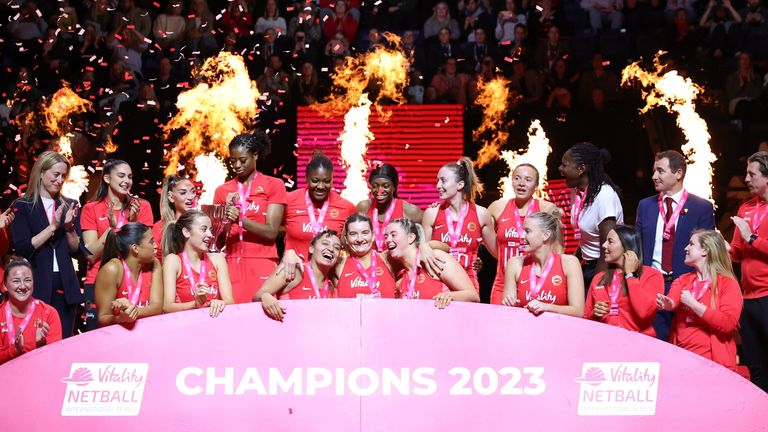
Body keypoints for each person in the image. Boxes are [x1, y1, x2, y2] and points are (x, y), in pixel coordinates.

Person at [635, 150, 715, 340]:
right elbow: (637, 247)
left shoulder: (701, 207)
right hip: (652, 284)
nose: (654, 176)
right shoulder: (645, 206)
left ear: (678, 173)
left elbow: (708, 252)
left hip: (688, 287)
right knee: (655, 344)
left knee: (686, 345)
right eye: (654, 171)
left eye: (660, 171)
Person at [10, 151, 82, 338]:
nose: (59, 180)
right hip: (37, 281)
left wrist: (68, 227)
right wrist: (53, 227)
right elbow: (23, 248)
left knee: (64, 340)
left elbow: (76, 250)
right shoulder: (23, 206)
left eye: (63, 176)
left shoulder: (71, 205)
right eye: (55, 174)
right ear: (41, 173)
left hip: (65, 283)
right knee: (37, 344)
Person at [81, 159, 154, 330]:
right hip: (99, 279)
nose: (127, 181)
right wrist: (112, 229)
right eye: (121, 176)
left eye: (129, 177)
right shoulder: (91, 208)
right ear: (107, 178)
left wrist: (132, 224)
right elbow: (91, 254)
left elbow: (146, 250)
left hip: (136, 281)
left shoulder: (142, 206)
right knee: (99, 341)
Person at [214, 132, 287, 304]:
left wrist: (240, 219)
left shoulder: (274, 185)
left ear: (255, 155)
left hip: (263, 261)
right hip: (230, 263)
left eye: (242, 160)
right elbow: (217, 241)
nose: (237, 165)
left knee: (263, 321)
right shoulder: (222, 190)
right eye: (232, 161)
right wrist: (225, 220)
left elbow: (271, 232)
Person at [657, 230, 743, 371]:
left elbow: (728, 323)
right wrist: (668, 304)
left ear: (705, 251)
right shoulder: (682, 280)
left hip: (713, 365)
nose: (686, 248)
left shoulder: (728, 284)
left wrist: (694, 305)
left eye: (691, 244)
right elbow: (673, 300)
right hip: (681, 362)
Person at [488, 164, 559, 305]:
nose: (521, 183)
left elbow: (557, 251)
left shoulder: (547, 209)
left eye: (528, 179)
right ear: (512, 181)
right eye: (517, 178)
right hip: (501, 285)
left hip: (535, 284)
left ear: (537, 184)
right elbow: (476, 225)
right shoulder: (497, 207)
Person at [422, 157, 496, 292]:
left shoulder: (480, 214)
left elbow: (498, 252)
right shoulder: (431, 213)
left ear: (460, 185)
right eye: (437, 180)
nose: (438, 185)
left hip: (468, 285)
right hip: (438, 283)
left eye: (443, 181)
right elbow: (424, 253)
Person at [559, 142, 623, 293]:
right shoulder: (577, 191)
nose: (560, 169)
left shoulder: (604, 195)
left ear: (581, 169)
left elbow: (607, 250)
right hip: (588, 266)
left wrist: (597, 288)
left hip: (606, 267)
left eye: (564, 165)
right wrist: (574, 261)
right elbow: (588, 236)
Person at [730, 151, 768, 391]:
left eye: (751, 174)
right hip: (748, 298)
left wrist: (751, 237)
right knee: (755, 364)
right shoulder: (745, 207)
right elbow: (736, 253)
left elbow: (750, 240)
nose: (746, 179)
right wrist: (721, 248)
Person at [502, 212, 585, 317]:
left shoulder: (569, 263)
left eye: (527, 231)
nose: (521, 236)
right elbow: (506, 310)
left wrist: (547, 307)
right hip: (524, 329)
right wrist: (509, 304)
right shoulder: (515, 263)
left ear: (546, 235)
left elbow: (578, 311)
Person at [585, 225, 664, 335]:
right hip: (605, 343)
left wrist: (630, 276)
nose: (604, 245)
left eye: (610, 241)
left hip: (639, 346)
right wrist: (594, 314)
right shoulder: (599, 278)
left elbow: (644, 312)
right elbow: (586, 319)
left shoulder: (652, 275)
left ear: (626, 246)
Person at [385, 218, 479, 307]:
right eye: (386, 236)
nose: (388, 240)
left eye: (393, 235)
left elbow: (473, 296)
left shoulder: (436, 259)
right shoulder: (400, 283)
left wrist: (450, 296)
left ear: (411, 238)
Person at [254, 230, 342, 321]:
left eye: (336, 248)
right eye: (325, 243)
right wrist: (264, 296)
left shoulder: (331, 288)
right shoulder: (294, 270)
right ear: (311, 249)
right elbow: (258, 295)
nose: (331, 249)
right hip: (288, 332)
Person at [283, 152, 356, 262]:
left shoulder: (346, 207)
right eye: (315, 181)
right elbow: (272, 230)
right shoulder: (289, 200)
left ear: (332, 179)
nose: (321, 186)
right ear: (307, 178)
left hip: (328, 276)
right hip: (294, 274)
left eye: (326, 181)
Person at [162, 210, 234, 318]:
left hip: (213, 323)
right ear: (186, 232)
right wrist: (195, 304)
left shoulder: (218, 259)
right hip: (185, 326)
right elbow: (167, 307)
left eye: (210, 230)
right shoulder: (173, 261)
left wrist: (219, 303)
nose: (210, 235)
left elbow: (229, 301)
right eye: (204, 229)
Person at [94, 223, 163, 327]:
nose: (156, 245)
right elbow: (103, 318)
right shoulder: (112, 269)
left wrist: (132, 312)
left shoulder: (154, 263)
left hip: (148, 331)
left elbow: (157, 307)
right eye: (151, 242)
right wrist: (121, 319)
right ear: (135, 248)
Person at [0, 257, 62, 364]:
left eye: (28, 280)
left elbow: (55, 359)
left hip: (38, 376)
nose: (23, 286)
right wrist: (14, 350)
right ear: (4, 285)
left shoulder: (49, 313)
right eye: (16, 281)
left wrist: (40, 345)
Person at [356, 163, 423, 252]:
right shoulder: (363, 207)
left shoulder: (410, 211)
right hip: (368, 264)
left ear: (394, 187)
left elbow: (425, 239)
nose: (379, 191)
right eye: (375, 186)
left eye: (385, 186)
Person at [334, 215, 396, 298]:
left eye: (365, 233)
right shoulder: (338, 265)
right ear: (346, 239)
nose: (359, 239)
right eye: (353, 234)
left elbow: (412, 251)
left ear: (373, 235)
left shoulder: (388, 259)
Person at [152, 174, 197, 260]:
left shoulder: (201, 224)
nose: (191, 197)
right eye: (183, 193)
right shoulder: (160, 228)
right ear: (171, 196)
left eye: (193, 191)